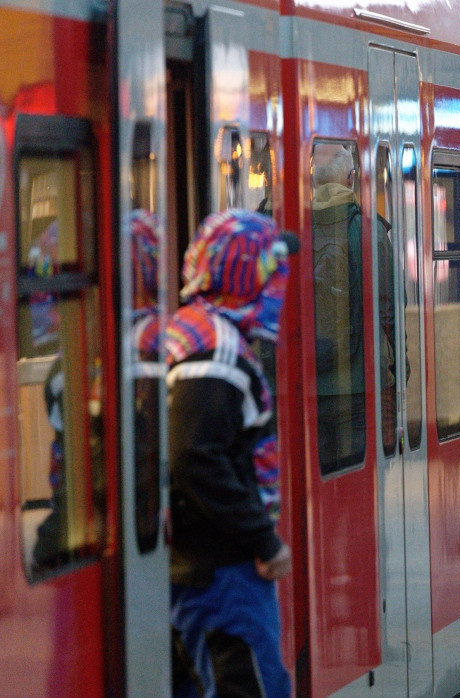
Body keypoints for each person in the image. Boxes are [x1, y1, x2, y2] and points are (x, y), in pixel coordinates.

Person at [167, 210, 296, 697]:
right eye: (271, 270)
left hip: (203, 567)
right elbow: (194, 454)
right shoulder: (216, 356)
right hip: (222, 575)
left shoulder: (192, 329)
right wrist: (263, 539)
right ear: (247, 277)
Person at [311, 143, 366, 473]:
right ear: (351, 178)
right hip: (356, 386)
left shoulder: (296, 230)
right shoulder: (365, 230)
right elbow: (388, 310)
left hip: (309, 385)